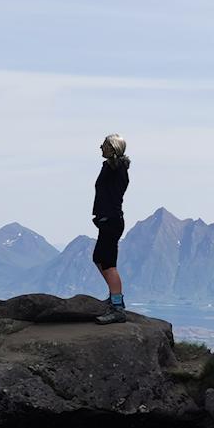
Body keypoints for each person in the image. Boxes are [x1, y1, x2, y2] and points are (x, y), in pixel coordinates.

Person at [92, 133, 130, 324]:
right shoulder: (112, 167)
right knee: (99, 258)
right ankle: (114, 297)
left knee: (108, 263)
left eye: (105, 145)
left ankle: (117, 307)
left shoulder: (117, 168)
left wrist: (104, 217)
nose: (101, 147)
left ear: (113, 148)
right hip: (108, 220)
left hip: (111, 221)